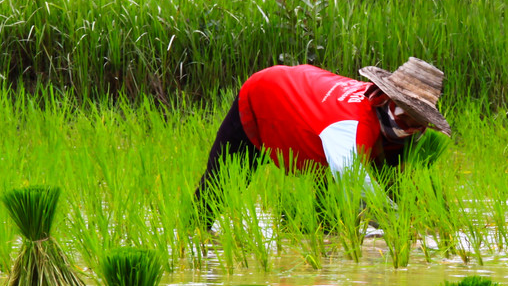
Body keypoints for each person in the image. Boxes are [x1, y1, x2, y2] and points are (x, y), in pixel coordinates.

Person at [192, 58, 453, 227]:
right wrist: (399, 226)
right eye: (409, 114)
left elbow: (409, 188)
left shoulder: (399, 127)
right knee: (217, 190)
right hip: (267, 97)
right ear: (387, 99)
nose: (416, 126)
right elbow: (354, 181)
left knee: (328, 216)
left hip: (313, 107)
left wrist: (436, 221)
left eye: (421, 118)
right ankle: (191, 242)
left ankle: (307, 234)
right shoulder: (351, 125)